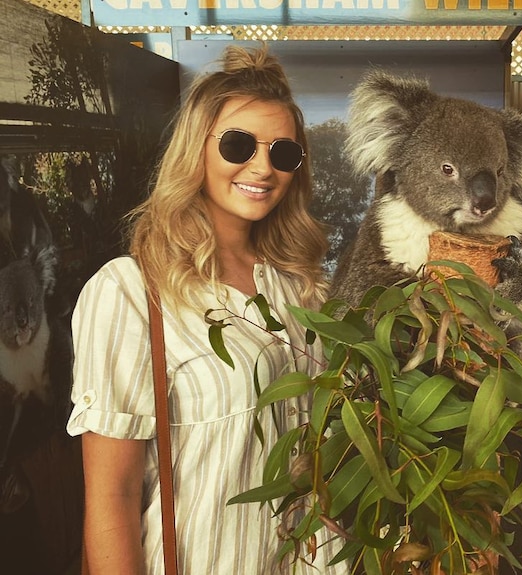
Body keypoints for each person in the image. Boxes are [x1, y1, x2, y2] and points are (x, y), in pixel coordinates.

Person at [67, 45, 347, 574]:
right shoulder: (130, 293)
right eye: (239, 144)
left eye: (284, 153)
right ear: (197, 148)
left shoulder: (304, 288)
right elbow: (113, 496)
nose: (263, 168)